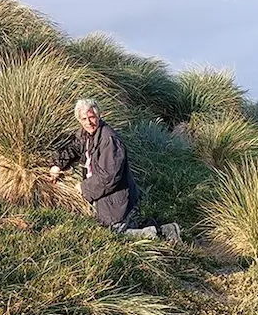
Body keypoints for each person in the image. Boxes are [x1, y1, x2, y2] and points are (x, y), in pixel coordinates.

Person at [50, 99, 180, 242]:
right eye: (84, 119)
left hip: (115, 197)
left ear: (98, 116)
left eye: (91, 117)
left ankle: (163, 232)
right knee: (112, 228)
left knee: (115, 234)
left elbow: (108, 177)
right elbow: (74, 147)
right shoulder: (86, 134)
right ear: (79, 120)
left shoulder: (109, 140)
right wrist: (58, 165)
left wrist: (84, 187)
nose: (88, 122)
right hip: (102, 195)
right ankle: (149, 226)